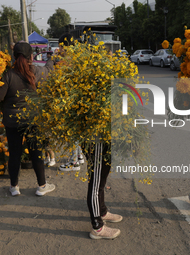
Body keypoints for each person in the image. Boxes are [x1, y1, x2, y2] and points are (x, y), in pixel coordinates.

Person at [58, 33, 122, 240]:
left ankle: (102, 210)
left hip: (104, 134)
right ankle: (97, 226)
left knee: (104, 172)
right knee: (95, 181)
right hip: (94, 137)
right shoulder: (79, 79)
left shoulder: (91, 74)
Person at [0, 41, 55, 197]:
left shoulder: (8, 75)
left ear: (13, 56)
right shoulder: (38, 72)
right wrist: (51, 58)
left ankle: (14, 187)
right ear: (31, 56)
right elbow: (50, 69)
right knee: (36, 152)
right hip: (33, 120)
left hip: (12, 122)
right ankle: (42, 186)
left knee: (15, 153)